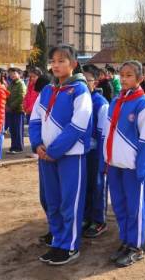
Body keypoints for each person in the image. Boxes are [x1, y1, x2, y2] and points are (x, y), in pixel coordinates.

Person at [29, 45, 93, 266]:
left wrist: (55, 151)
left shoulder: (80, 91)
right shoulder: (47, 90)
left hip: (70, 157)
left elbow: (78, 126)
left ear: (73, 64)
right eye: (53, 61)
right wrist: (37, 145)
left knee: (69, 202)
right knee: (51, 200)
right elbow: (35, 119)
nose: (55, 65)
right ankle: (57, 241)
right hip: (45, 156)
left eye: (61, 61)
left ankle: (70, 246)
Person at [103, 60, 145, 267]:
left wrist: (142, 167)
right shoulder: (116, 101)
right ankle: (125, 240)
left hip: (134, 167)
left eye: (129, 75)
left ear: (140, 79)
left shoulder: (144, 104)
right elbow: (107, 134)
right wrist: (106, 161)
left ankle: (136, 246)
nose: (123, 79)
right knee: (119, 207)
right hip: (115, 164)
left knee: (135, 208)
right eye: (121, 75)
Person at [80, 65, 110, 239]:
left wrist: (103, 159)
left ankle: (99, 221)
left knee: (98, 185)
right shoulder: (79, 99)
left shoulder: (101, 104)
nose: (83, 84)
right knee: (85, 185)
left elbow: (103, 134)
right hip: (82, 152)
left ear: (95, 82)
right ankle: (86, 216)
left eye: (87, 80)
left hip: (96, 152)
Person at [6, 68, 27, 154]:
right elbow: (7, 95)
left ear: (19, 74)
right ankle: (13, 146)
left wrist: (11, 106)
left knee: (18, 129)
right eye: (10, 74)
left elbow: (21, 97)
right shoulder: (11, 84)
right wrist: (6, 105)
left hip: (18, 110)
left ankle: (19, 147)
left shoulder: (21, 84)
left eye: (14, 73)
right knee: (12, 129)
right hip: (11, 110)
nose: (12, 75)